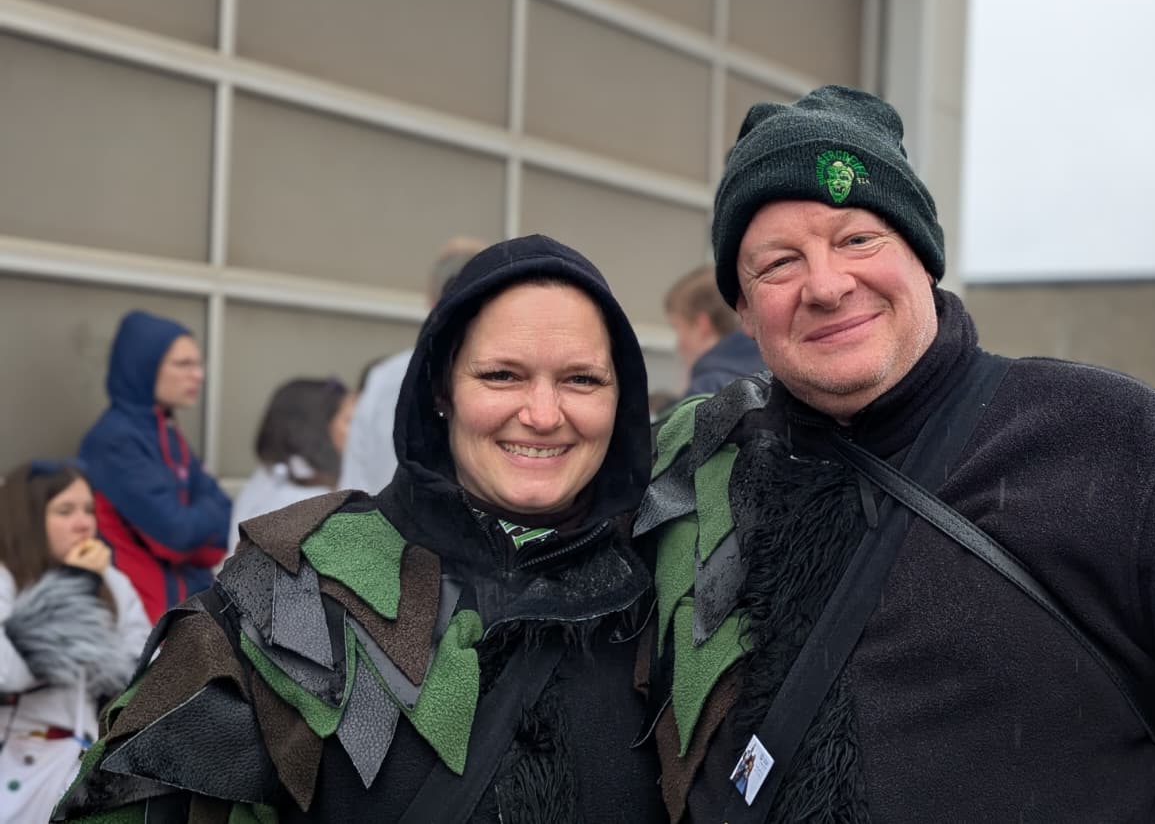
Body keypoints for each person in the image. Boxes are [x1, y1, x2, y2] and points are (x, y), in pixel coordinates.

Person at [636, 86, 1155, 822]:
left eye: (857, 238)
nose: (824, 284)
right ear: (745, 310)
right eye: (779, 263)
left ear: (922, 256)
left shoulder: (1116, 446)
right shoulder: (704, 474)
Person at [56, 235, 666, 823]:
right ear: (442, 390)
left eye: (582, 379)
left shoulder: (666, 585)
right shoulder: (290, 589)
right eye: (501, 375)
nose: (543, 414)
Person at [0, 461, 149, 824]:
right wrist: (74, 586)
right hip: (16, 767)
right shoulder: (4, 579)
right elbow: (9, 671)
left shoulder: (110, 581)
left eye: (88, 510)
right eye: (65, 511)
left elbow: (145, 667)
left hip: (87, 768)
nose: (84, 523)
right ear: (27, 518)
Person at [79, 311, 231, 623]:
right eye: (183, 364)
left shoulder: (168, 432)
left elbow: (226, 518)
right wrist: (198, 526)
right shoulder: (115, 440)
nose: (198, 375)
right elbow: (175, 536)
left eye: (198, 363)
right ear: (144, 367)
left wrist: (196, 528)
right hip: (142, 623)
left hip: (189, 610)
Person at [339, 238, 487, 494]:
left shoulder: (383, 378)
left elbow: (353, 479)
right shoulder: (498, 375)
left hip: (378, 514)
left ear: (429, 298)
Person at [227, 377, 350, 551]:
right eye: (349, 420)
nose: (357, 430)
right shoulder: (305, 498)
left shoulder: (275, 474)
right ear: (317, 426)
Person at [663, 265, 764, 397]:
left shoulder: (707, 386)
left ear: (701, 325)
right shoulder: (774, 369)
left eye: (677, 328)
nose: (678, 344)